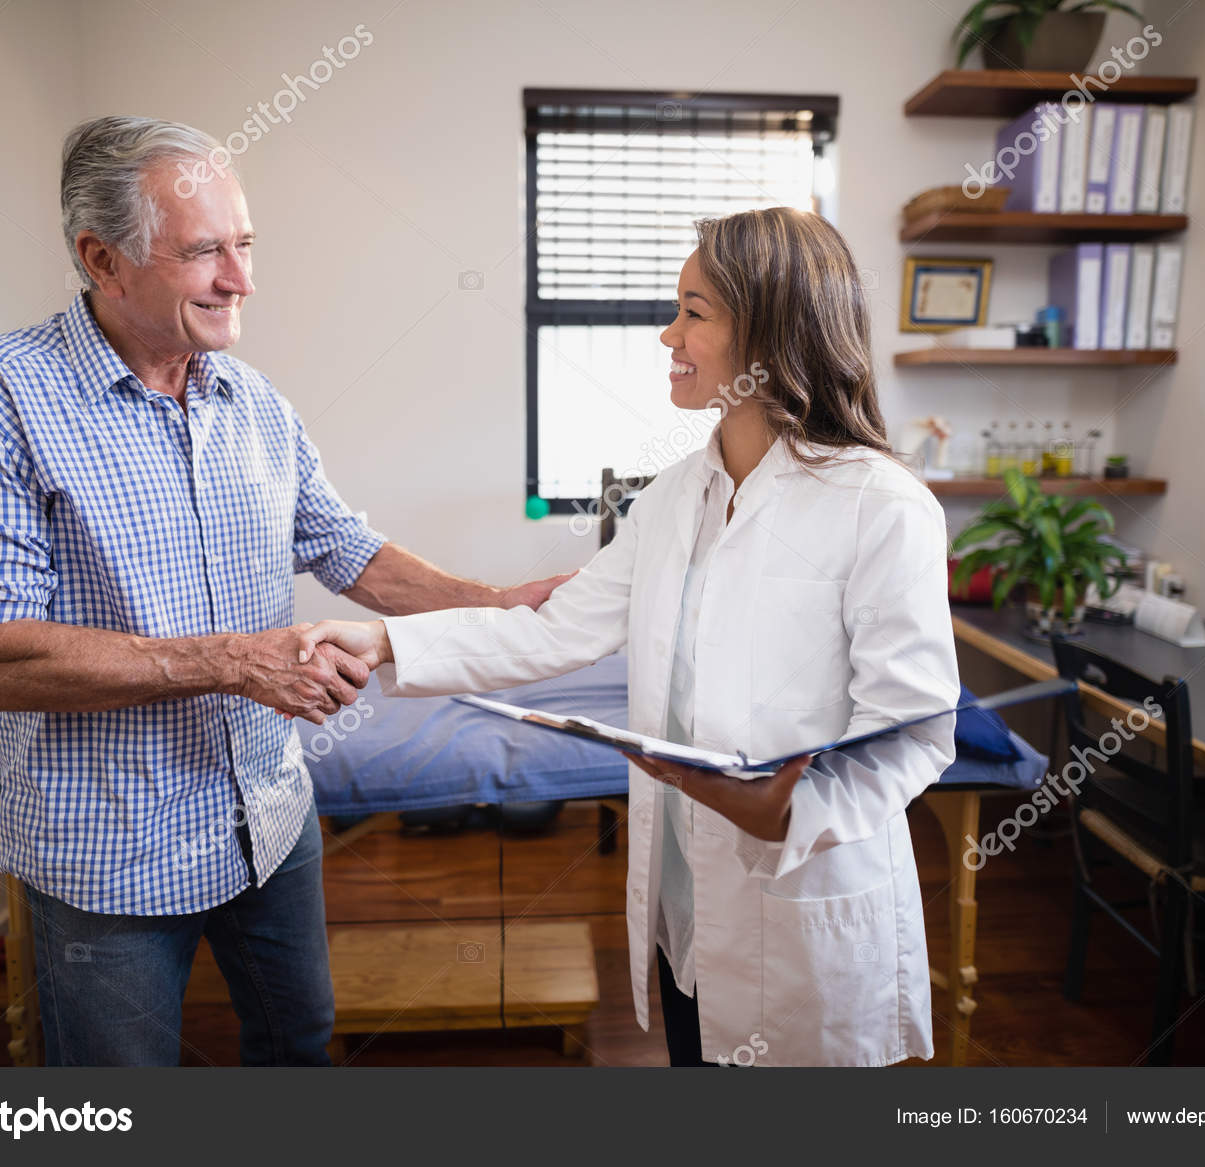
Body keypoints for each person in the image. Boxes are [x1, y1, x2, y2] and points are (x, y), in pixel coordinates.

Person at [0, 116, 571, 1067]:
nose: (241, 279)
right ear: (102, 258)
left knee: (297, 1042)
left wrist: (498, 603)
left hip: (269, 817)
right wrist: (233, 662)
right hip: (111, 849)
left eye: (244, 245)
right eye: (206, 251)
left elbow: (350, 550)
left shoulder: (252, 402)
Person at [305, 207, 960, 1066]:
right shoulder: (670, 499)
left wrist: (798, 809)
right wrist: (387, 644)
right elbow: (553, 628)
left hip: (800, 906)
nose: (667, 334)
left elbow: (913, 726)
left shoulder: (882, 506)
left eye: (694, 311)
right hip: (684, 908)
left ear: (767, 331)